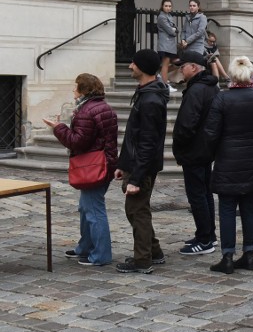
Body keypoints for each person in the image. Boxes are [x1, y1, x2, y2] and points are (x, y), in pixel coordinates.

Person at [202, 56, 253, 274]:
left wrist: (211, 154)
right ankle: (249, 254)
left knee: (227, 209)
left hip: (227, 160)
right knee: (249, 207)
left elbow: (211, 133)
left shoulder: (223, 99)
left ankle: (228, 256)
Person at [44, 74, 118, 267]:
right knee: (86, 208)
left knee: (93, 210)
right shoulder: (103, 107)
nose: (73, 91)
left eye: (76, 87)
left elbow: (78, 141)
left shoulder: (87, 111)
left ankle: (100, 255)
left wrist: (59, 128)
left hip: (93, 166)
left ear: (84, 90)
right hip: (104, 163)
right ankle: (84, 247)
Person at [114, 49, 170, 273]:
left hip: (142, 167)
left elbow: (147, 143)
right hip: (136, 163)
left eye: (133, 63)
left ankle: (143, 260)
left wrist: (136, 177)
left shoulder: (151, 100)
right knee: (137, 210)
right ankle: (153, 252)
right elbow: (133, 135)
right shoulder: (146, 93)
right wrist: (123, 163)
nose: (129, 66)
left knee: (137, 211)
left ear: (143, 68)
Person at [172, 50, 220, 256]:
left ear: (194, 67)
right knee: (204, 193)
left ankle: (205, 239)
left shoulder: (197, 89)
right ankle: (208, 234)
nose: (180, 70)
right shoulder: (209, 87)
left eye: (183, 66)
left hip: (195, 150)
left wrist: (180, 145)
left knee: (198, 195)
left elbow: (187, 124)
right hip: (205, 148)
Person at [156, 0, 178, 93]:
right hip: (165, 44)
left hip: (170, 45)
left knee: (176, 63)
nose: (168, 8)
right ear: (162, 6)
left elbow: (175, 29)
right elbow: (171, 31)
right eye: (166, 6)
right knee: (165, 64)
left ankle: (161, 76)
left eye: (169, 6)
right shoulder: (162, 17)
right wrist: (174, 30)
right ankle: (165, 85)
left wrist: (174, 30)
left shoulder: (169, 16)